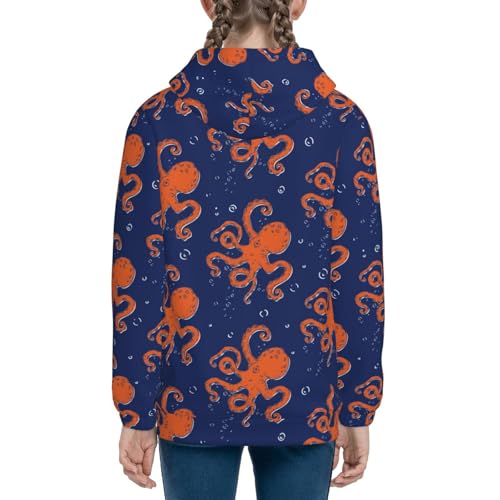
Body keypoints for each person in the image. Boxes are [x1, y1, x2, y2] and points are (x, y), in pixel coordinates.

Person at [111, 0, 385, 498]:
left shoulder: (157, 121)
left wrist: (137, 407)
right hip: (304, 397)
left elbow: (138, 276)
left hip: (190, 394)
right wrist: (356, 404)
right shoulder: (342, 123)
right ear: (297, 4)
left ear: (208, 3)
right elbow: (358, 276)